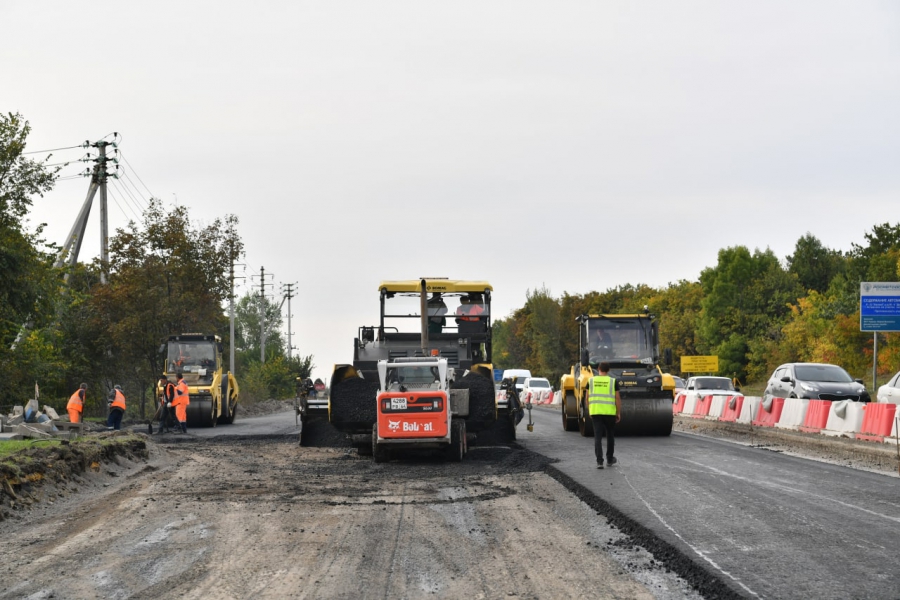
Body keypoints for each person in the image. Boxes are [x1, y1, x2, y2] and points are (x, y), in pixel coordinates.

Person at [588, 362, 621, 469]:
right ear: (608, 370)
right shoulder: (613, 381)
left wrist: (590, 410)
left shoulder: (591, 381)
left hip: (596, 412)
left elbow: (587, 397)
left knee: (597, 437)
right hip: (610, 413)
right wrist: (618, 412)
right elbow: (617, 398)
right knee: (610, 436)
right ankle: (610, 459)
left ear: (598, 369)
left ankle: (599, 462)